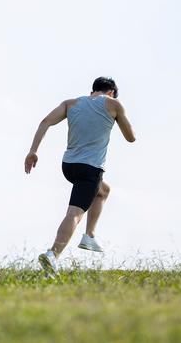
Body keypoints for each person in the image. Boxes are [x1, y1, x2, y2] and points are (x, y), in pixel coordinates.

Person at [24, 76, 136, 275]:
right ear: (111, 92)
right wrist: (117, 116)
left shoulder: (71, 103)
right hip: (91, 168)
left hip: (69, 166)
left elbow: (45, 122)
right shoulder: (113, 104)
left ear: (93, 90)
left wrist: (33, 151)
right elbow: (131, 138)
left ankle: (89, 235)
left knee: (103, 190)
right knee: (74, 213)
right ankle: (53, 254)